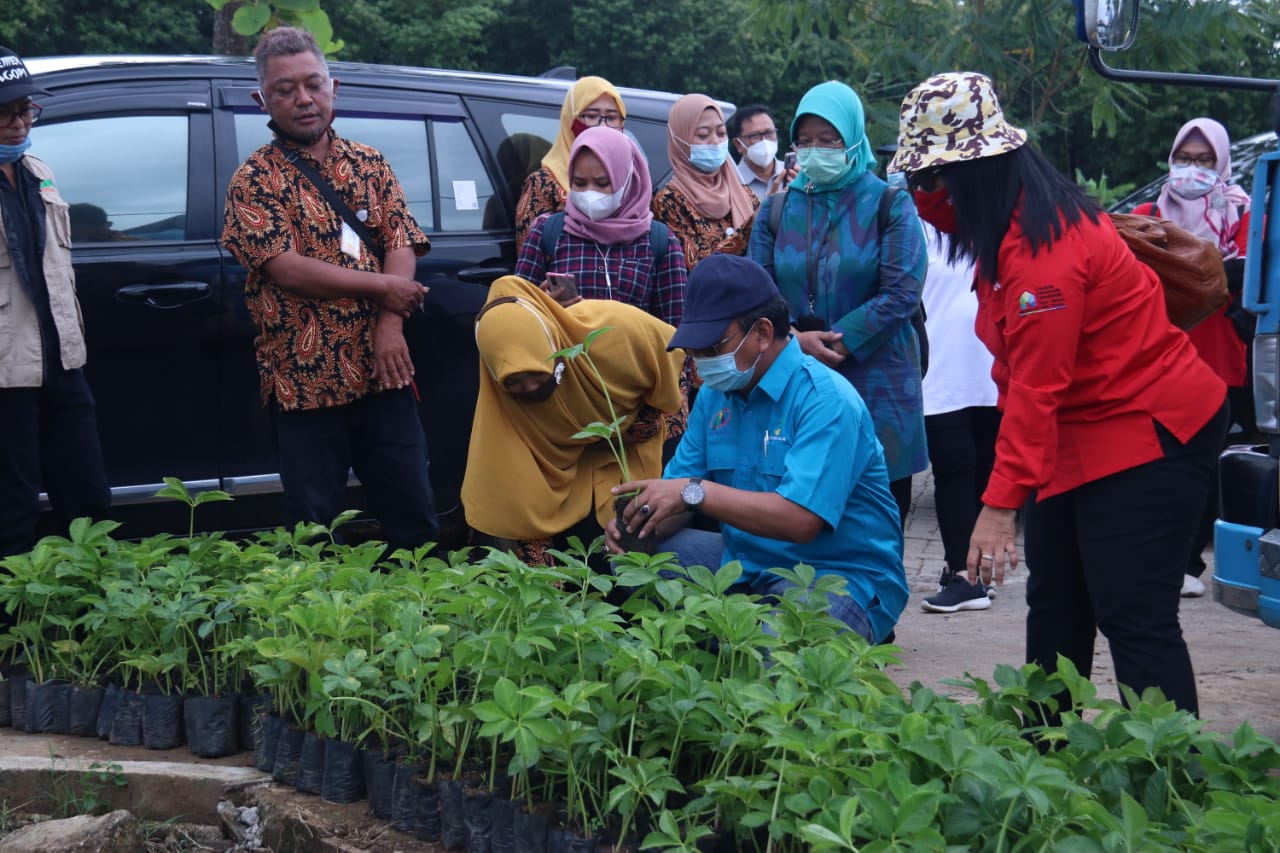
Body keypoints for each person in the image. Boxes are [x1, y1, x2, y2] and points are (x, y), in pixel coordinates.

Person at [892, 71, 1229, 716]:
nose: (920, 194)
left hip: (1152, 429)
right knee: (1055, 602)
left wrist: (997, 508)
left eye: (929, 180)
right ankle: (1042, 750)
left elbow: (1037, 389)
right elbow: (1026, 380)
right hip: (1085, 429)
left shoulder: (1043, 252)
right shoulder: (1011, 229)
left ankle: (1171, 779)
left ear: (976, 173)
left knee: (1132, 611)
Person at [607, 254, 909, 646]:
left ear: (763, 333)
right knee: (638, 565)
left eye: (713, 346)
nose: (700, 363)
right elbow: (677, 496)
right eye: (695, 350)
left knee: (776, 647)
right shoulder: (716, 398)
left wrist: (693, 492)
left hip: (836, 572)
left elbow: (800, 521)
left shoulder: (826, 401)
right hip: (748, 560)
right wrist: (640, 523)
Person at [221, 27, 438, 552]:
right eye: (284, 89)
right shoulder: (253, 181)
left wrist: (390, 327)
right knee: (314, 531)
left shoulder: (370, 163)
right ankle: (324, 633)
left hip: (385, 374)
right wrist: (386, 286)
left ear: (333, 86)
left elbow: (401, 240)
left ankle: (422, 623)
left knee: (414, 518)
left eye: (313, 84)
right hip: (305, 383)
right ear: (261, 100)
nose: (303, 99)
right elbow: (288, 268)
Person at [749, 81, 928, 527]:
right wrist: (795, 340)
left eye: (828, 140)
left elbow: (902, 290)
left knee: (877, 514)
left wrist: (839, 340)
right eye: (804, 141)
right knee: (799, 503)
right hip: (797, 379)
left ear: (853, 139)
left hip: (878, 383)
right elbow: (757, 290)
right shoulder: (774, 211)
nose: (815, 151)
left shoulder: (890, 203)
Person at [463, 276, 687, 565]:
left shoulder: (611, 332)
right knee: (574, 549)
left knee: (639, 538)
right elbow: (514, 494)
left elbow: (675, 357)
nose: (531, 387)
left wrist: (642, 425)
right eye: (514, 381)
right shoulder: (501, 406)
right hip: (571, 466)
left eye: (537, 371)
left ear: (552, 345)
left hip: (640, 441)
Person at [1132, 117, 1252, 599]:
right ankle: (1146, 551)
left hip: (1217, 354)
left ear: (1220, 163)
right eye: (1185, 158)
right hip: (1152, 352)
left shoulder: (1245, 213)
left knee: (1197, 462)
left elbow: (1242, 275)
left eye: (1204, 161)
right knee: (1148, 457)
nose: (1192, 169)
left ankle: (1186, 562)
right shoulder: (1146, 211)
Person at [0, 45, 111, 558]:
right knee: (12, 512)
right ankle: (16, 634)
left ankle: (93, 622)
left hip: (62, 363)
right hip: (6, 375)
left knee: (89, 503)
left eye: (26, 110)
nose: (20, 124)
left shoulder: (37, 169)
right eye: (6, 113)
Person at [515, 126, 687, 326]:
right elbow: (517, 312)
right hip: (564, 355)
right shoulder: (548, 232)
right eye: (579, 183)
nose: (590, 194)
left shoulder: (659, 241)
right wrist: (542, 305)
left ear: (627, 180)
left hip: (633, 357)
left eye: (602, 183)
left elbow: (675, 329)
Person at [515, 76, 626, 252]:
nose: (603, 126)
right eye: (591, 116)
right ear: (570, 120)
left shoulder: (632, 179)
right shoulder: (543, 184)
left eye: (612, 118)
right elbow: (529, 257)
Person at [652, 94, 759, 269]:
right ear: (680, 141)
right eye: (702, 135)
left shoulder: (744, 194)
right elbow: (699, 267)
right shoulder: (669, 202)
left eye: (721, 133)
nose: (715, 142)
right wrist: (749, 229)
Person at [728, 103, 786, 201]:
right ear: (738, 144)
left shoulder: (795, 175)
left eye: (769, 132)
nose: (764, 140)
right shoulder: (731, 184)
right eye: (754, 135)